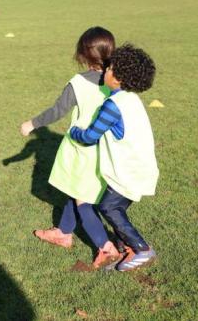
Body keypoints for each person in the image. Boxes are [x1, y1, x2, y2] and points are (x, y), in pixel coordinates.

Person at [21, 27, 121, 269]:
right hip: (106, 147)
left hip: (81, 148)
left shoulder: (78, 83)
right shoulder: (116, 81)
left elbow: (57, 111)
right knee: (74, 188)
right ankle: (63, 232)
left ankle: (105, 247)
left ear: (83, 55)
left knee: (82, 200)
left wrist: (31, 124)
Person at [70, 44, 159, 271]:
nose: (104, 73)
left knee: (110, 208)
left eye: (108, 69)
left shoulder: (113, 105)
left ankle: (142, 248)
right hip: (140, 166)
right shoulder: (131, 99)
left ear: (117, 78)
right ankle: (126, 248)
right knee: (108, 206)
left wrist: (74, 131)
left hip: (129, 170)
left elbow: (90, 136)